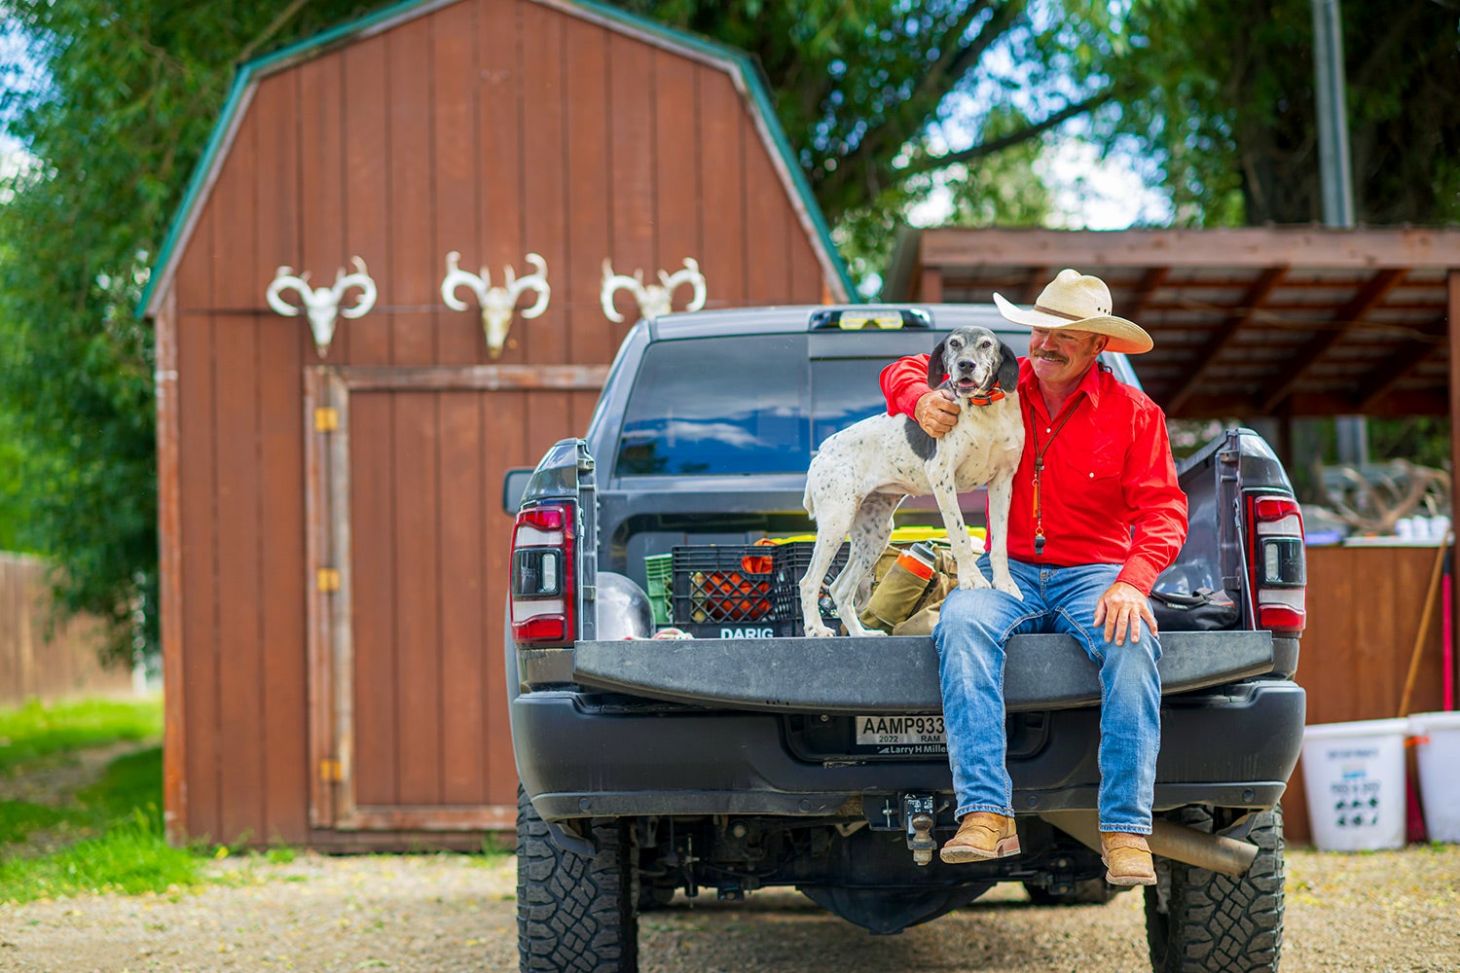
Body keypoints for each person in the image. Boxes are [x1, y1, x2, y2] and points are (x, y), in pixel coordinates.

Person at [879, 269, 1188, 885]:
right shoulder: (997, 379)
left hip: (1093, 573)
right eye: (1039, 327)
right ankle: (986, 816)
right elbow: (904, 367)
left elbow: (1164, 510)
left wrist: (1133, 581)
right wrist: (920, 398)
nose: (1045, 342)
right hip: (1007, 567)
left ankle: (1126, 830)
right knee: (961, 623)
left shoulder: (1135, 413)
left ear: (1098, 346)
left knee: (1132, 643)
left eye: (1064, 334)